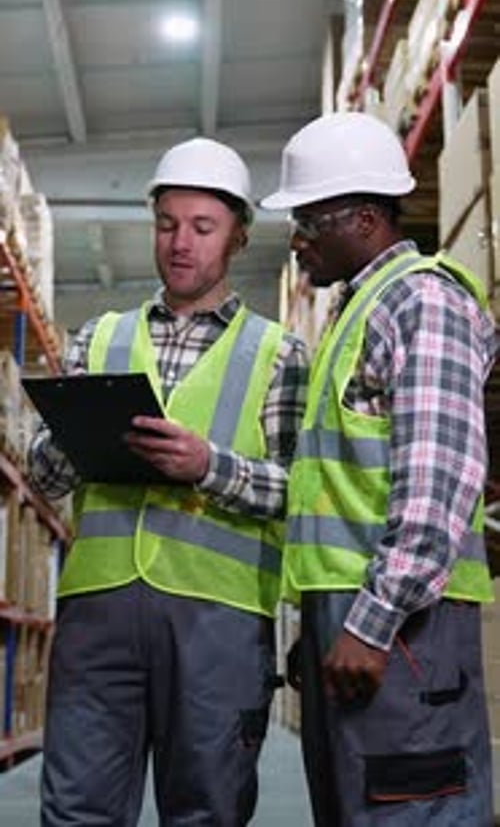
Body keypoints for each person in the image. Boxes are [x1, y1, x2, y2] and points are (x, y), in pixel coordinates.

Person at [29, 137, 308, 827]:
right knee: (75, 809)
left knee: (206, 810)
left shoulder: (279, 354)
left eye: (202, 228)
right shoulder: (97, 338)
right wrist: (78, 435)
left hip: (218, 618)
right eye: (166, 224)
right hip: (99, 613)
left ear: (238, 236)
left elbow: (302, 494)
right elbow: (41, 473)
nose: (180, 243)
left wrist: (208, 467)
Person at [260, 111, 497, 826]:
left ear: (364, 218)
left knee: (412, 804)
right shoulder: (359, 314)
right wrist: (329, 624)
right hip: (363, 610)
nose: (298, 240)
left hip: (406, 624)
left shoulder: (422, 302)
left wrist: (368, 624)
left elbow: (437, 484)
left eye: (309, 221)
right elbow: (338, 484)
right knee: (359, 805)